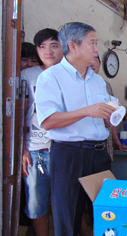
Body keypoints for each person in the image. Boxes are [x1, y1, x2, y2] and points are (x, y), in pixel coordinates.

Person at [35, 22, 116, 236]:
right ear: (73, 45)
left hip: (99, 155)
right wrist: (87, 111)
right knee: (69, 216)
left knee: (107, 217)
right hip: (70, 155)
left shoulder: (97, 80)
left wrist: (112, 115)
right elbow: (48, 121)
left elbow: (103, 118)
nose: (97, 49)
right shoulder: (50, 78)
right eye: (92, 43)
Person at [21, 28, 63, 236]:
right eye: (42, 46)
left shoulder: (69, 74)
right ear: (37, 50)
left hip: (64, 149)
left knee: (67, 201)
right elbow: (18, 115)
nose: (48, 51)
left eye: (54, 45)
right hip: (36, 150)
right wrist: (22, 149)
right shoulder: (27, 76)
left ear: (63, 47)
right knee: (36, 203)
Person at [90, 54, 126, 158]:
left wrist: (116, 140)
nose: (92, 64)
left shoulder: (106, 85)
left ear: (99, 63)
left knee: (106, 169)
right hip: (89, 141)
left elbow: (113, 115)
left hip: (106, 139)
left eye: (95, 60)